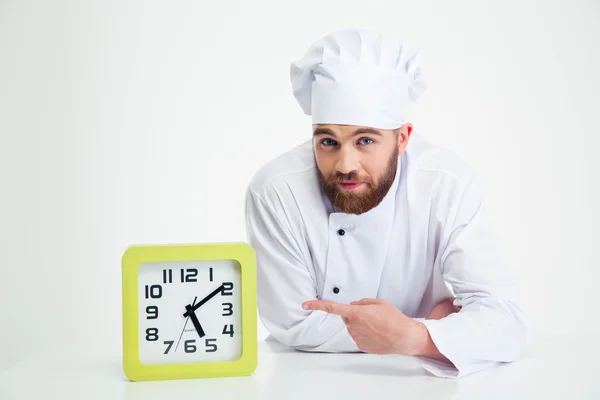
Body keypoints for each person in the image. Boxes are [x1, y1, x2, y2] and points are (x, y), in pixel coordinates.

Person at [244, 28, 529, 379]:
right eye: (328, 141)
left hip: (420, 385)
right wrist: (428, 330)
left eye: (365, 140)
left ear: (402, 139)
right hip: (299, 379)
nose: (345, 164)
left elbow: (507, 321)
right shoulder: (276, 190)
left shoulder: (447, 186)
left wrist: (414, 338)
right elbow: (291, 323)